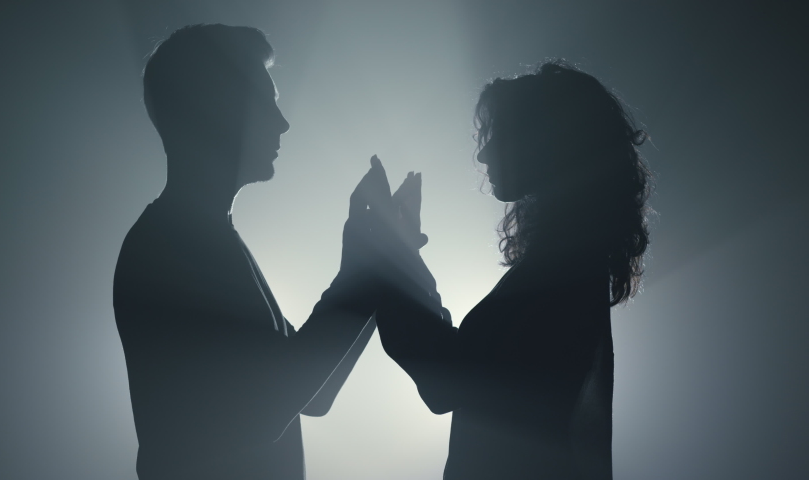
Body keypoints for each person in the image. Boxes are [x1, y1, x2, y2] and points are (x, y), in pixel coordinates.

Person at [113, 24, 381, 480]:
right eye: (264, 101)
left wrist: (373, 270)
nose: (282, 122)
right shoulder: (170, 250)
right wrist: (367, 268)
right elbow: (265, 411)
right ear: (214, 110)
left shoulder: (203, 240)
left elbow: (312, 395)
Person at [371, 61, 653, 479]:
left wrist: (386, 255)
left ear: (545, 142)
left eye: (498, 135)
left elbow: (448, 379)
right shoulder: (572, 261)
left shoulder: (562, 269)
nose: (483, 152)